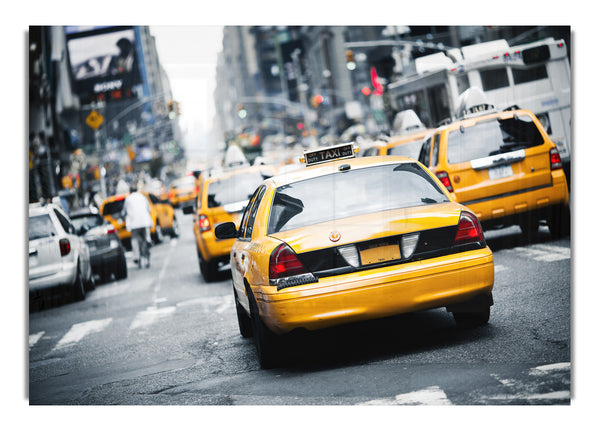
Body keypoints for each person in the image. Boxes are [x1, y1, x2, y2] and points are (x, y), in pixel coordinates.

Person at [123, 185, 153, 268]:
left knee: (134, 240)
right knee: (146, 236)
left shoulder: (128, 199)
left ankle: (136, 256)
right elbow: (149, 209)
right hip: (145, 222)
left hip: (134, 224)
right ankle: (148, 240)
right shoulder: (142, 196)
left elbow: (124, 212)